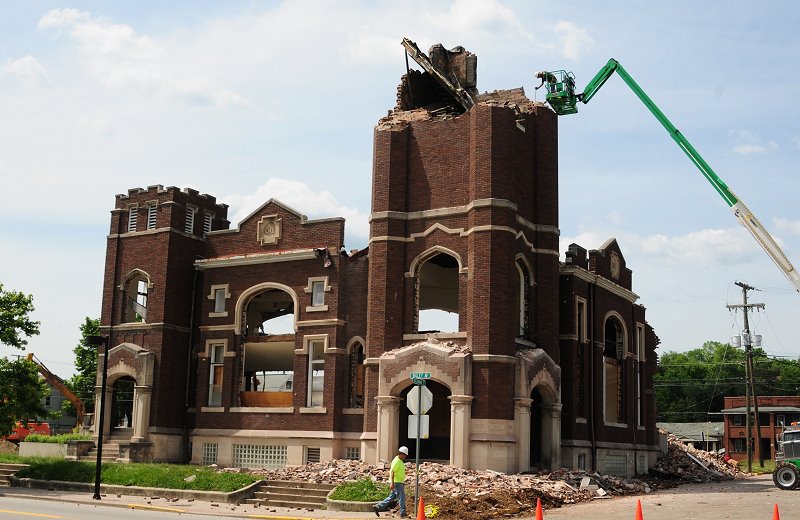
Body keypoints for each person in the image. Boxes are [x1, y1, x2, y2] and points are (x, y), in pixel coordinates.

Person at [373, 446, 409, 517]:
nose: (405, 457)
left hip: (398, 482)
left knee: (391, 497)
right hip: (397, 482)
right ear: (401, 454)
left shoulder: (399, 460)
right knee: (402, 497)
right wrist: (392, 483)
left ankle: (378, 507)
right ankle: (403, 512)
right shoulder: (397, 461)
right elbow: (392, 472)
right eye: (405, 455)